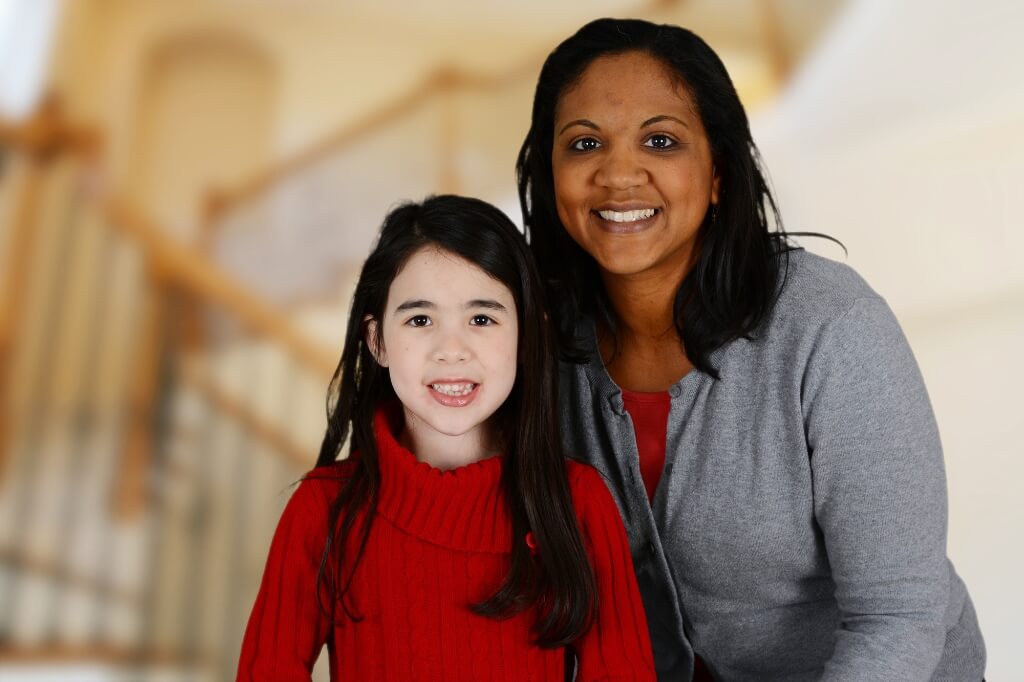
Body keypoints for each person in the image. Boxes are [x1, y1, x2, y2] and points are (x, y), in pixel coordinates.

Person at [517, 18, 985, 682]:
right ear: (549, 172)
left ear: (718, 175)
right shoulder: (532, 339)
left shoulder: (830, 326)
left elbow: (898, 620)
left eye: (661, 140)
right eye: (585, 143)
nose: (619, 174)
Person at [236, 195, 656, 681]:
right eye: (420, 319)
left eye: (482, 319)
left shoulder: (578, 503)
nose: (451, 351)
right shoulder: (323, 510)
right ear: (378, 342)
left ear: (526, 338)